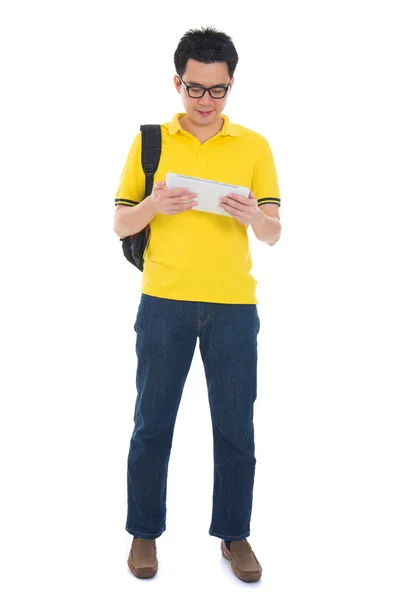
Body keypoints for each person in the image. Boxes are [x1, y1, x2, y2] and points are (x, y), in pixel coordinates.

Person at [113, 26, 281, 583]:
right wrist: (155, 203)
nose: (205, 101)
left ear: (231, 86)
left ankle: (235, 535)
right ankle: (144, 532)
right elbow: (119, 222)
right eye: (195, 88)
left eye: (218, 90)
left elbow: (275, 233)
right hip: (163, 301)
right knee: (151, 423)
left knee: (236, 427)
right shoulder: (150, 141)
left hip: (234, 305)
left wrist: (253, 215)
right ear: (178, 81)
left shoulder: (254, 146)